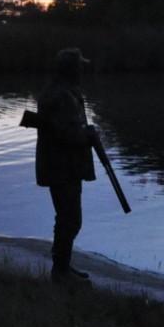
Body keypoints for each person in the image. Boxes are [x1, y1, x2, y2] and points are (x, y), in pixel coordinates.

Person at [35, 47, 97, 279]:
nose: (83, 71)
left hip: (61, 166)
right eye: (80, 66)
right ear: (72, 70)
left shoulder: (59, 92)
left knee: (68, 218)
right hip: (63, 168)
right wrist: (89, 136)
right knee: (70, 219)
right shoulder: (62, 96)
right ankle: (60, 271)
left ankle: (62, 267)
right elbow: (66, 134)